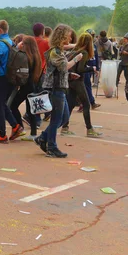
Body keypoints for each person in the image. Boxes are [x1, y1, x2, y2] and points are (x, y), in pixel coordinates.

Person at [34, 24, 84, 158]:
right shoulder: (55, 52)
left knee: (64, 118)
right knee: (57, 119)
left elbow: (60, 70)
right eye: (68, 35)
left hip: (60, 87)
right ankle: (52, 147)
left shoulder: (58, 50)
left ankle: (43, 138)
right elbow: (64, 66)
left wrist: (68, 75)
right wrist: (76, 59)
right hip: (55, 89)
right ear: (62, 37)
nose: (70, 37)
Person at [60, 33, 102, 138]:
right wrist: (91, 68)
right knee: (86, 104)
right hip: (78, 81)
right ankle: (89, 129)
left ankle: (65, 127)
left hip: (71, 80)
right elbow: (80, 69)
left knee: (71, 104)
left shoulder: (75, 51)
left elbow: (78, 66)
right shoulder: (84, 52)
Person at [0, 20, 23, 143]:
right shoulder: (11, 43)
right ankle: (15, 126)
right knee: (2, 104)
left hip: (1, 77)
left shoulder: (0, 44)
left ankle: (2, 134)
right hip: (11, 78)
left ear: (0, 30)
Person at [10, 36, 42, 142]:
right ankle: (33, 133)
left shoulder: (26, 57)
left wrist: (16, 47)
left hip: (26, 86)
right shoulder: (36, 56)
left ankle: (19, 126)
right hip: (32, 85)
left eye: (23, 43)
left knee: (13, 105)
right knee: (31, 110)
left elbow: (14, 57)